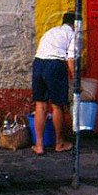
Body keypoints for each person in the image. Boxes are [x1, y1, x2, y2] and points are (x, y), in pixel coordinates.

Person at [31, 11, 76, 155]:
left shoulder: (51, 31)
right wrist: (76, 79)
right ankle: (60, 143)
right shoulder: (72, 34)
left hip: (38, 64)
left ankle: (39, 146)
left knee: (40, 105)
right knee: (57, 107)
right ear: (74, 24)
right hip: (54, 65)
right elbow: (70, 60)